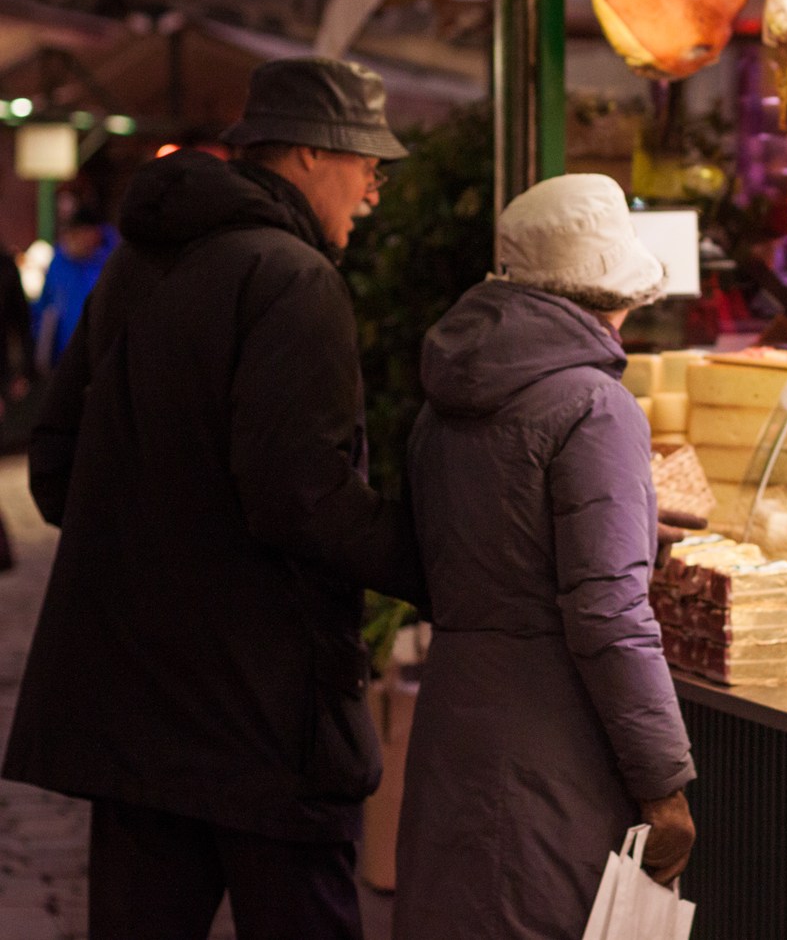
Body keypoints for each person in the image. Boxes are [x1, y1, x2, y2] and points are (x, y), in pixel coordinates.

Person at [3, 57, 425, 939]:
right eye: (368, 165)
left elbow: (53, 464)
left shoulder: (141, 268)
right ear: (309, 156)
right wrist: (433, 559)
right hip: (263, 722)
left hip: (137, 716)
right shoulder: (294, 280)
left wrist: (153, 552)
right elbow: (299, 498)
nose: (375, 190)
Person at [395, 174, 697, 940]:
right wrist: (663, 783)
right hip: (548, 743)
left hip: (455, 720)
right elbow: (607, 612)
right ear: (613, 296)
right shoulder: (596, 406)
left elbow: (476, 544)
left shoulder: (445, 397)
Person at [31, 203, 118, 369]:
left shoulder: (107, 264)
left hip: (98, 356)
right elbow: (44, 306)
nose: (85, 239)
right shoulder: (58, 263)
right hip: (62, 357)